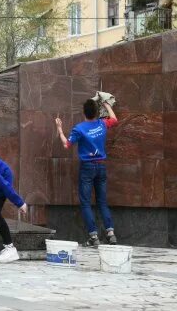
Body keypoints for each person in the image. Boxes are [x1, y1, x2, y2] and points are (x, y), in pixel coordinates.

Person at [55, 99, 118, 247]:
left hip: (87, 168)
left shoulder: (79, 128)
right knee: (102, 202)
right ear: (97, 112)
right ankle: (111, 234)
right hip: (101, 167)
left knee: (85, 203)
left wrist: (59, 129)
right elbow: (114, 119)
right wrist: (107, 104)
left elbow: (66, 144)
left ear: (83, 112)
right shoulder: (102, 124)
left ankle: (93, 237)